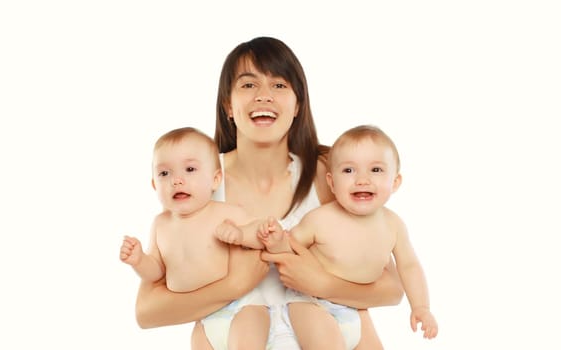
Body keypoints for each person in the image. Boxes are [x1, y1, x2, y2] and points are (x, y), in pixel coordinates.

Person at [133, 36, 405, 349]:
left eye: (279, 85)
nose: (264, 96)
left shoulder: (331, 174)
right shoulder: (198, 177)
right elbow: (147, 311)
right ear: (228, 106)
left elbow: (391, 288)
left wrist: (321, 283)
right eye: (248, 85)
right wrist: (234, 285)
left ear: (297, 104)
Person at [259, 125, 439, 348]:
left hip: (355, 307)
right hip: (310, 303)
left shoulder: (394, 225)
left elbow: (409, 266)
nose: (362, 180)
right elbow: (291, 248)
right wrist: (277, 241)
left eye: (376, 170)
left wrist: (421, 307)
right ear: (332, 183)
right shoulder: (320, 219)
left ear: (395, 183)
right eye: (348, 171)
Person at [120, 127, 281, 348]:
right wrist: (139, 261)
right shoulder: (160, 224)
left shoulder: (225, 213)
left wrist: (240, 234)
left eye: (190, 169)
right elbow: (157, 271)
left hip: (243, 307)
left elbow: (260, 237)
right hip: (203, 316)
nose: (177, 180)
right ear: (154, 185)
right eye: (164, 173)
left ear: (215, 180)